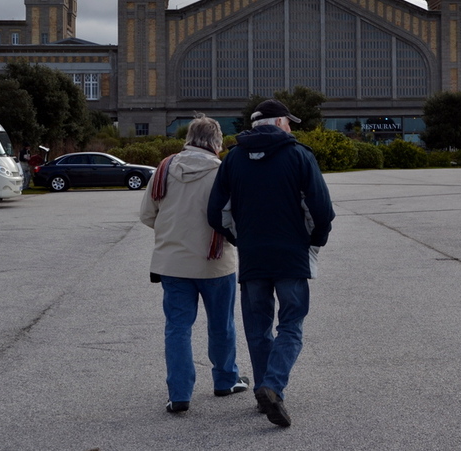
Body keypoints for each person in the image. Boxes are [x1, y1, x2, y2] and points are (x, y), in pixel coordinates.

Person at [207, 99, 334, 427]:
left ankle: (266, 393)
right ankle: (273, 387)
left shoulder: (233, 158)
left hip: (253, 259)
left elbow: (214, 212)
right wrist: (316, 239)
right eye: (288, 122)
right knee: (291, 324)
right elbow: (322, 208)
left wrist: (240, 239)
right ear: (278, 123)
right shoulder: (299, 155)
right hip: (291, 257)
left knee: (258, 328)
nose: (291, 128)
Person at [140, 115, 249, 414]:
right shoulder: (223, 172)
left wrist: (174, 234)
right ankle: (226, 380)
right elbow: (235, 217)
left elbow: (147, 215)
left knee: (177, 328)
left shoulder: (164, 168)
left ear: (188, 138)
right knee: (222, 325)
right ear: (216, 142)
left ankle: (179, 394)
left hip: (173, 264)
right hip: (215, 262)